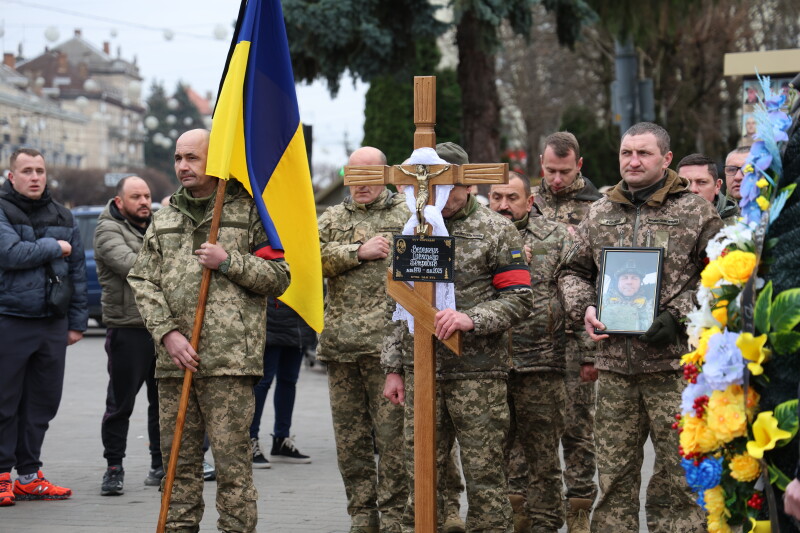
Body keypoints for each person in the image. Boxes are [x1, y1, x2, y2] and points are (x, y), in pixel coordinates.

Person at [558, 122, 723, 531]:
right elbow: (571, 272)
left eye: (643, 153)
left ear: (666, 159)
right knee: (613, 480)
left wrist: (679, 314)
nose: (633, 161)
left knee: (679, 479)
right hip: (614, 370)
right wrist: (586, 308)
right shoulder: (600, 211)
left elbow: (724, 276)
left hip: (674, 370)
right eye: (626, 153)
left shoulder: (695, 210)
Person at [128, 129, 290, 532]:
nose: (183, 166)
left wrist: (229, 261)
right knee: (177, 469)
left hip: (228, 364)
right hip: (175, 363)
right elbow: (143, 281)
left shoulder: (250, 211)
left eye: (193, 158)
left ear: (214, 160)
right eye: (178, 158)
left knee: (233, 468)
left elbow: (280, 276)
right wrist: (167, 333)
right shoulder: (164, 218)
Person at [383, 142, 532, 532]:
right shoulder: (414, 229)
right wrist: (393, 368)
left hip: (477, 373)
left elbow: (519, 299)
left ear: (465, 183)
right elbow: (397, 305)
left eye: (443, 185)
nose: (435, 196)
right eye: (426, 187)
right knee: (420, 475)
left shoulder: (495, 229)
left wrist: (471, 317)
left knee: (485, 479)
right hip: (421, 372)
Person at [317, 146, 409, 533]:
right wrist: (358, 251)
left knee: (393, 442)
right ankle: (361, 516)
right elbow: (310, 259)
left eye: (369, 176)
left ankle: (394, 517)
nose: (360, 184)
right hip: (341, 348)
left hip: (387, 351)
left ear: (385, 175)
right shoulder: (333, 217)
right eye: (353, 175)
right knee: (351, 444)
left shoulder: (407, 216)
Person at [0, 147, 88, 506]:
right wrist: (55, 246)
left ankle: (29, 475)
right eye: (27, 170)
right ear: (12, 176)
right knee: (5, 402)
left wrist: (76, 323)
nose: (35, 176)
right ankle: (2, 475)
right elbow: (10, 254)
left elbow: (79, 273)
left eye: (39, 170)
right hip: (11, 318)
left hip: (52, 322)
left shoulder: (63, 214)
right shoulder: (2, 209)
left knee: (42, 403)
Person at [489, 171, 571, 532]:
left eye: (512, 198)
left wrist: (583, 355)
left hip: (541, 362)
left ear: (530, 201)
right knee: (492, 457)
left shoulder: (555, 237)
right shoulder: (477, 236)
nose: (503, 205)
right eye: (496, 198)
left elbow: (576, 289)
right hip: (487, 366)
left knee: (543, 459)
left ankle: (546, 525)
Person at [532, 131, 601, 532]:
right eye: (549, 170)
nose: (555, 179)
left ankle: (579, 505)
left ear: (579, 166)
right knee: (536, 424)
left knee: (578, 424)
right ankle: (534, 506)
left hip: (578, 335)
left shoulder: (596, 209)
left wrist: (592, 351)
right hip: (536, 333)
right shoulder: (528, 204)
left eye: (564, 171)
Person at [95, 176, 162, 496]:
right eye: (136, 196)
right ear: (120, 202)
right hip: (127, 328)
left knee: (161, 403)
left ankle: (160, 465)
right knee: (120, 404)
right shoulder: (107, 229)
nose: (144, 201)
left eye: (147, 195)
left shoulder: (157, 224)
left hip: (161, 327)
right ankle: (113, 467)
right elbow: (134, 267)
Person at [249, 295, 315, 468]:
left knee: (289, 381)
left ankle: (281, 440)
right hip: (273, 319)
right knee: (263, 382)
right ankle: (249, 440)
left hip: (299, 320)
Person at [676, 153, 738, 224]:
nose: (693, 189)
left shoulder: (740, 227)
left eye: (702, 182)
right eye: (685, 183)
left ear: (717, 186)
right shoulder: (663, 218)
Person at [599, 261, 656, 332]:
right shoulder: (602, 301)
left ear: (640, 282)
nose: (629, 282)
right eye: (624, 278)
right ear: (618, 282)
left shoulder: (650, 305)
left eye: (634, 278)